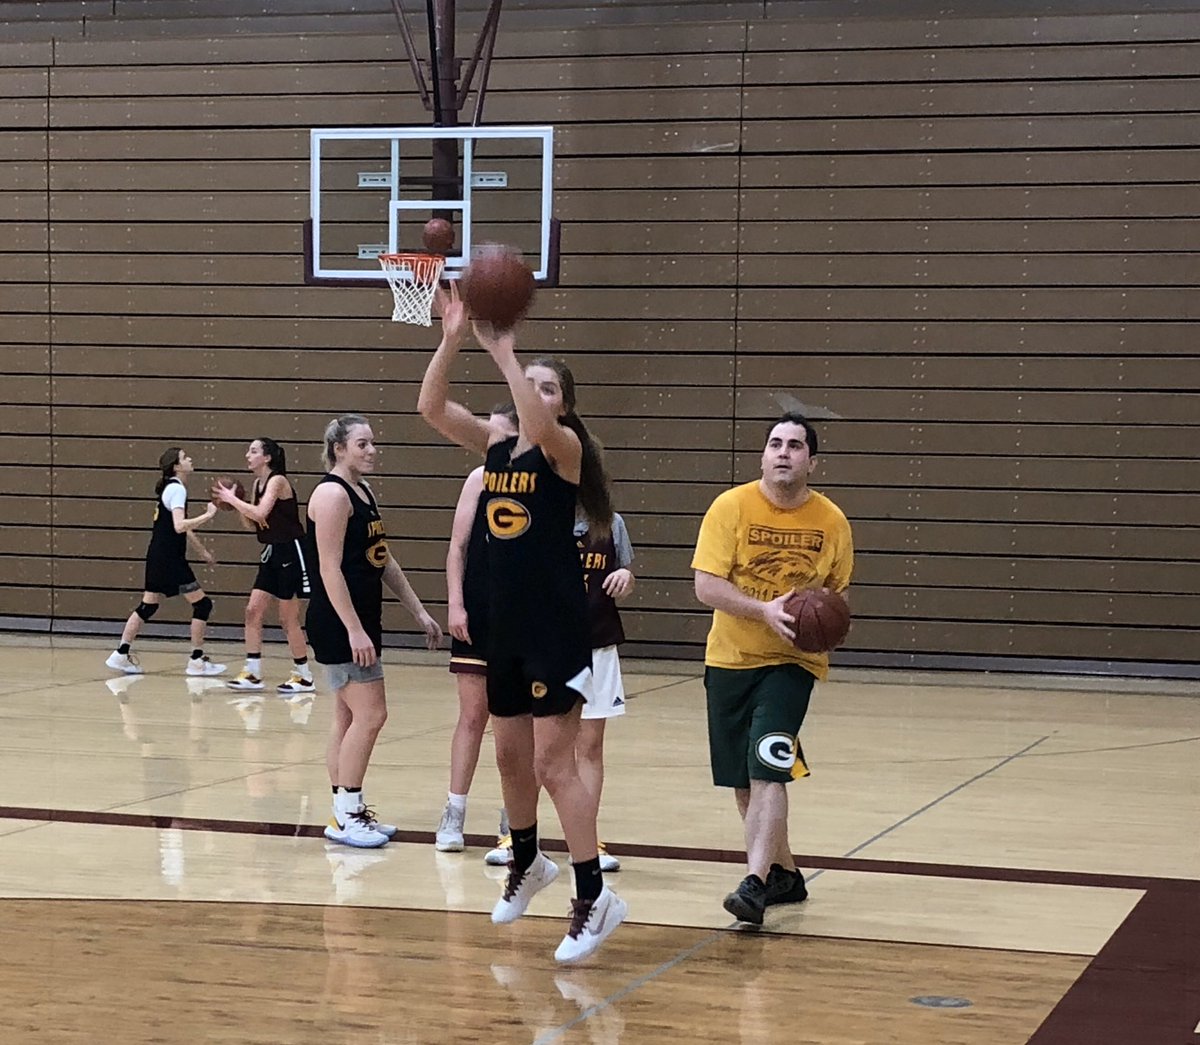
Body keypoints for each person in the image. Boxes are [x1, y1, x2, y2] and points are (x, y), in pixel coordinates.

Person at [418, 283, 627, 964]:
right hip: (501, 625)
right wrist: (451, 338)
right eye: (526, 383)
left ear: (562, 404)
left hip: (555, 625)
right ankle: (530, 861)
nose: (531, 391)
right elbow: (429, 407)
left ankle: (595, 894)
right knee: (508, 757)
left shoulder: (562, 449)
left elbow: (535, 424)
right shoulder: (495, 453)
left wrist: (504, 349)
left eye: (546, 386)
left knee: (551, 761)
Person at [691, 412, 853, 926]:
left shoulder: (832, 522)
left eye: (796, 446)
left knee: (767, 767)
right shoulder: (730, 507)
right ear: (763, 455)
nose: (784, 452)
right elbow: (706, 586)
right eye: (776, 444)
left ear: (812, 461)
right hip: (730, 658)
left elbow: (836, 598)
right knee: (745, 782)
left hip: (792, 663)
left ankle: (754, 883)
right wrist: (763, 610)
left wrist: (815, 623)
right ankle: (785, 873)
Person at [306, 414, 443, 849]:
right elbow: (328, 568)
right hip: (340, 622)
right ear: (338, 448)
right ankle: (348, 815)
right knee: (372, 714)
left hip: (360, 620)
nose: (371, 450)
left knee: (347, 717)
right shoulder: (331, 495)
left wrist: (419, 612)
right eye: (362, 444)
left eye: (372, 443)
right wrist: (353, 630)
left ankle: (344, 810)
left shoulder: (361, 491)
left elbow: (381, 559)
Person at [484, 509, 636, 873]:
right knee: (537, 749)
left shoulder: (611, 522)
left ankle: (585, 841)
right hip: (547, 647)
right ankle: (519, 839)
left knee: (590, 746)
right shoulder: (535, 517)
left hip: (597, 645)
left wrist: (624, 577)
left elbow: (627, 578)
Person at [435, 405, 519, 853]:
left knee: (516, 728)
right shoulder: (478, 479)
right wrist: (455, 603)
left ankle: (515, 821)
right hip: (478, 613)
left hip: (520, 618)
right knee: (472, 717)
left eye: (500, 433)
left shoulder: (539, 481)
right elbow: (457, 547)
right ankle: (454, 811)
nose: (491, 439)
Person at [105, 447, 227, 677]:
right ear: (177, 466)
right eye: (185, 457)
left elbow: (179, 528)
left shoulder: (172, 489)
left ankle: (121, 653)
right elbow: (180, 526)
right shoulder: (177, 490)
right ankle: (197, 660)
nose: (190, 459)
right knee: (203, 604)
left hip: (157, 556)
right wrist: (209, 515)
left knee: (148, 606)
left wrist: (202, 551)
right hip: (170, 559)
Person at [213, 438, 316, 695]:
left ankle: (304, 676)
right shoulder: (258, 483)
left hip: (292, 551)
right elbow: (254, 523)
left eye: (254, 450)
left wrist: (232, 499)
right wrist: (236, 503)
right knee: (252, 611)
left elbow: (261, 513)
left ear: (267, 457)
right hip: (271, 552)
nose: (248, 454)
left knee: (287, 617)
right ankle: (253, 672)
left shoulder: (278, 481)